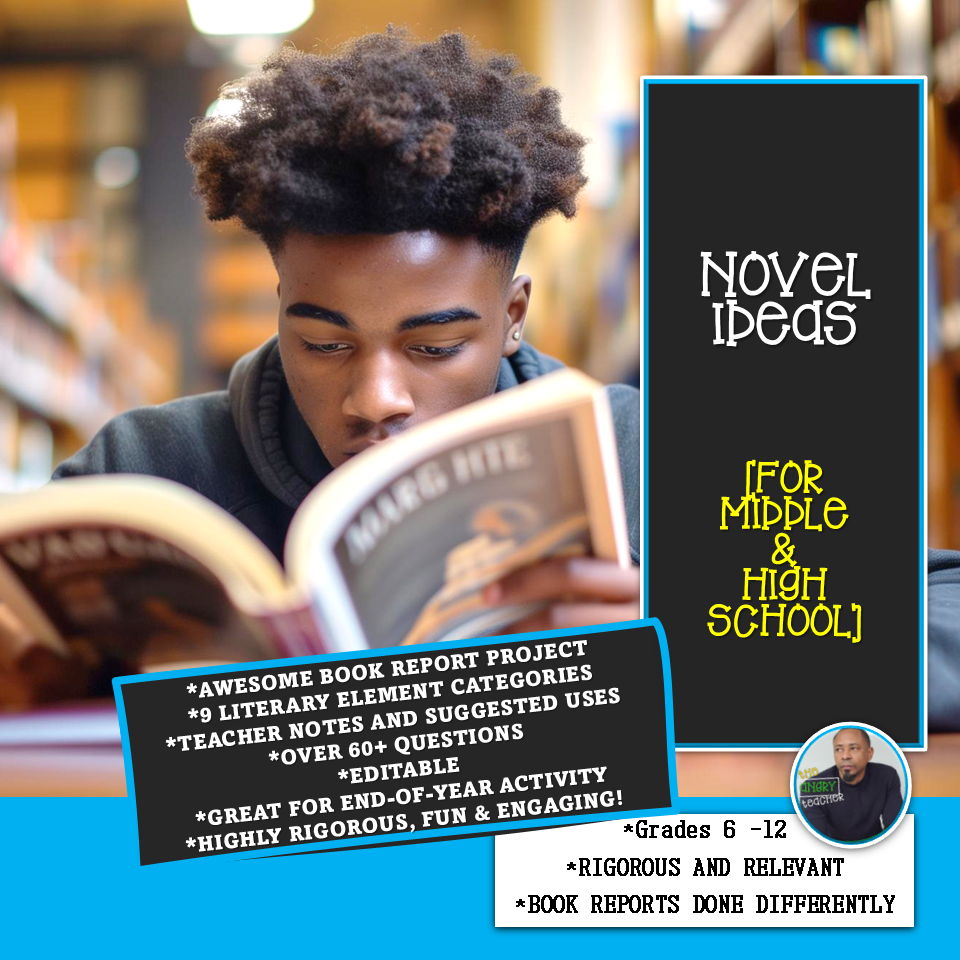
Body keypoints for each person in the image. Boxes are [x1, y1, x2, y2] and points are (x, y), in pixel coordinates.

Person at [0, 30, 639, 701]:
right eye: (325, 344)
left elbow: (750, 763)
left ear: (513, 316)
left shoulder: (639, 462)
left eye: (434, 348)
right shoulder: (140, 469)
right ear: (281, 308)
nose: (376, 399)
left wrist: (655, 666)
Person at [800, 728, 903, 842]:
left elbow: (895, 829)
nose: (845, 756)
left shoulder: (887, 776)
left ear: (869, 753)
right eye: (838, 749)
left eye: (853, 748)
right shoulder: (813, 788)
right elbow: (817, 842)